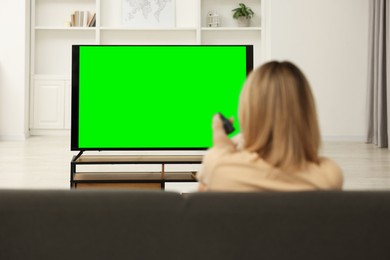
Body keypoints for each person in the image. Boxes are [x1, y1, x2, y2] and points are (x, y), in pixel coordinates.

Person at [196, 61, 343, 192]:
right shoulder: (329, 176)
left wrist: (222, 139)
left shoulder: (219, 166)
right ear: (307, 114)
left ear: (249, 112)